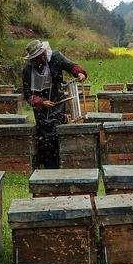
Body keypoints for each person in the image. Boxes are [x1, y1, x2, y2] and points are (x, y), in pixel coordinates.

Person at [22, 40, 87, 169]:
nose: (39, 59)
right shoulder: (28, 70)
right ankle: (49, 167)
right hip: (41, 109)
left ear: (44, 52)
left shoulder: (56, 57)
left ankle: (61, 164)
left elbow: (71, 66)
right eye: (35, 58)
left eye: (41, 55)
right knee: (44, 137)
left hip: (58, 102)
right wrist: (40, 101)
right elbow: (27, 95)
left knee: (58, 132)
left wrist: (79, 73)